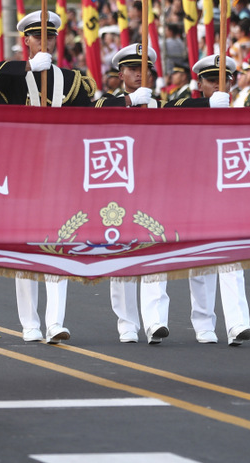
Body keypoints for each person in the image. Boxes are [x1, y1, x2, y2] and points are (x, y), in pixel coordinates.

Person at [0, 11, 93, 343]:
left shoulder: (72, 80)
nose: (45, 42)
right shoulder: (14, 76)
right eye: (38, 37)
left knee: (59, 244)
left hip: (60, 172)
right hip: (22, 172)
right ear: (26, 41)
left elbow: (89, 124)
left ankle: (55, 321)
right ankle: (30, 323)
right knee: (27, 248)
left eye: (50, 37)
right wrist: (30, 67)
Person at [166, 54, 250, 344]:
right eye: (212, 80)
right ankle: (204, 324)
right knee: (202, 259)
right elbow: (168, 109)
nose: (218, 86)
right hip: (196, 193)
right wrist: (207, 106)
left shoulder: (240, 113)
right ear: (200, 84)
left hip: (229, 193)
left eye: (223, 81)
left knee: (232, 258)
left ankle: (238, 323)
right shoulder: (188, 108)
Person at [97, 43, 171, 343]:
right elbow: (92, 115)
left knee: (155, 251)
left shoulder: (162, 107)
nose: (139, 74)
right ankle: (127, 323)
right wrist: (128, 102)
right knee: (121, 252)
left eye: (144, 70)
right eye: (132, 69)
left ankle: (155, 321)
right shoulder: (107, 104)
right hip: (118, 187)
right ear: (120, 74)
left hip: (152, 186)